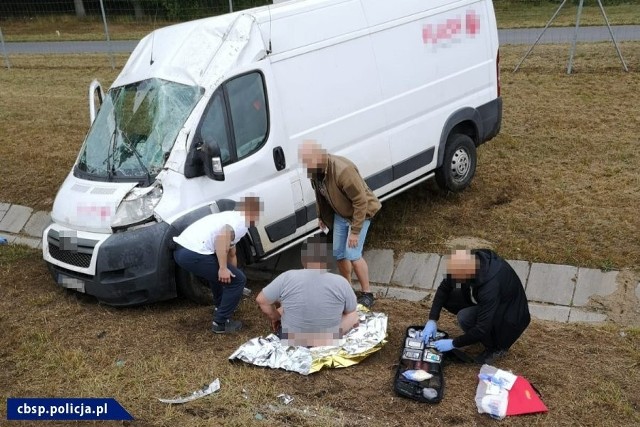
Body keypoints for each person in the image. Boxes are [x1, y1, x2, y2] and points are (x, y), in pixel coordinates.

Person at [298, 140, 381, 308]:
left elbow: (361, 201)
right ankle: (347, 290)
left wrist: (355, 231)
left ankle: (367, 293)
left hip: (361, 213)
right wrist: (321, 216)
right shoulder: (314, 171)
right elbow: (320, 195)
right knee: (339, 253)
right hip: (341, 214)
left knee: (353, 254)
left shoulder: (343, 171)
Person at [421, 249, 531, 364]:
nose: (454, 279)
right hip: (493, 302)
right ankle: (475, 336)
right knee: (450, 297)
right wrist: (432, 319)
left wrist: (453, 343)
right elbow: (444, 288)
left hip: (511, 317)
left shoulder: (490, 287)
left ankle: (496, 348)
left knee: (465, 317)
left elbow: (482, 328)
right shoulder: (471, 261)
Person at [173, 196, 261, 334]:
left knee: (229, 278)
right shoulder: (239, 222)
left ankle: (220, 307)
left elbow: (231, 253)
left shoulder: (232, 218)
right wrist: (224, 269)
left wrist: (231, 272)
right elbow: (221, 239)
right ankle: (220, 323)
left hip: (182, 251)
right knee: (238, 280)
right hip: (193, 252)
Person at [255, 236, 359, 347]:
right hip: (326, 341)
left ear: (303, 259)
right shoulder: (341, 282)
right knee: (354, 315)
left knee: (284, 308)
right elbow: (350, 310)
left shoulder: (287, 276)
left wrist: (275, 316)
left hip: (291, 339)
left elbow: (261, 300)